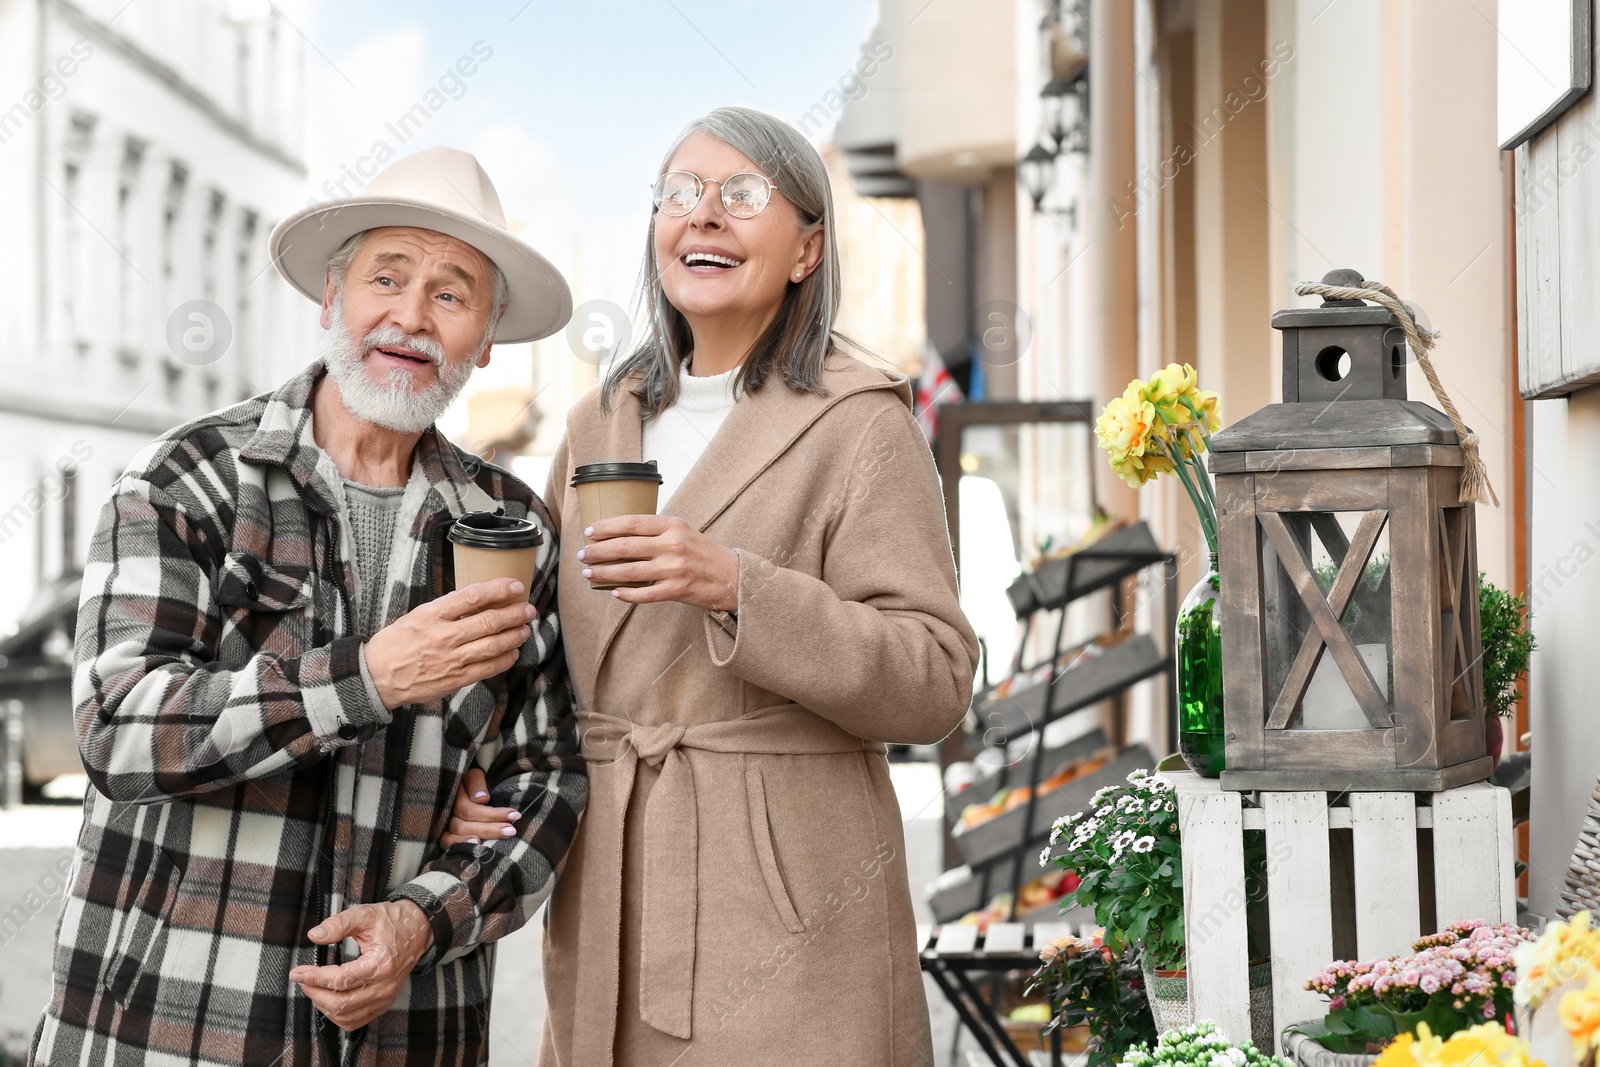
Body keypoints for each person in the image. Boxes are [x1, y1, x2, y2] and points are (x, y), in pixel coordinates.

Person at [31, 147, 587, 1067]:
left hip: (411, 1032)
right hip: (173, 1026)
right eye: (387, 277)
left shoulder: (512, 524)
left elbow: (552, 777)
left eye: (451, 294)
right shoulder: (188, 482)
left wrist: (423, 917)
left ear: (486, 338)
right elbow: (118, 728)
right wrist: (366, 680)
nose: (411, 316)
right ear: (332, 299)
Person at [446, 107, 980, 1065]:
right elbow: (545, 660)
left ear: (808, 248)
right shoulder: (600, 420)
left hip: (790, 900)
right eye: (680, 195)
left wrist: (739, 587)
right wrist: (478, 768)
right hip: (611, 881)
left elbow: (935, 680)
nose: (705, 218)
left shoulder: (861, 423)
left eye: (742, 196)